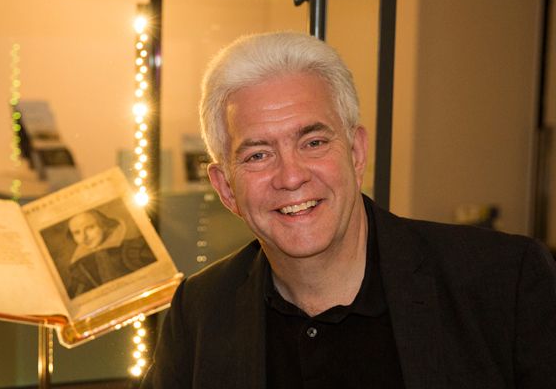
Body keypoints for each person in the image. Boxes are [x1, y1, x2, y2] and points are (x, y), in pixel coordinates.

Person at [141, 31, 556, 388]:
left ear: (356, 153)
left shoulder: (504, 283)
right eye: (258, 155)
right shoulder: (198, 312)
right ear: (225, 189)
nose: (291, 176)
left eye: (314, 142)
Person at [64, 209, 156, 297]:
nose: (84, 237)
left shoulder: (134, 249)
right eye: (77, 233)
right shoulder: (80, 267)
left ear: (104, 226)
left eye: (90, 228)